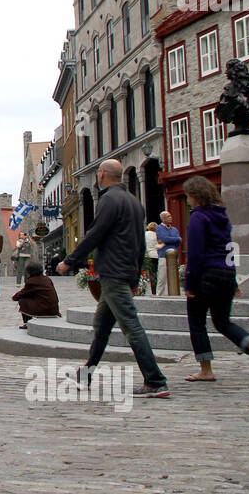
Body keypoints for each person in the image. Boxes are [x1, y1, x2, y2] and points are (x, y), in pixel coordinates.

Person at [57, 159, 170, 398]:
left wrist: (70, 260)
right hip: (123, 272)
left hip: (113, 272)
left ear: (102, 175)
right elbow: (139, 242)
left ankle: (155, 379)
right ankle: (85, 375)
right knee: (102, 327)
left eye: (98, 172)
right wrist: (137, 273)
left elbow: (96, 233)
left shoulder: (108, 199)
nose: (98, 176)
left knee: (131, 326)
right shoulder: (134, 202)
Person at [180, 176, 249, 382]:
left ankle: (206, 370)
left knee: (197, 323)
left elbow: (195, 254)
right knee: (223, 322)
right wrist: (232, 281)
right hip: (224, 273)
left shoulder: (198, 217)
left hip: (205, 275)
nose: (187, 200)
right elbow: (229, 250)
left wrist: (189, 283)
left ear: (195, 196)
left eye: (188, 196)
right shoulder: (222, 218)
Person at [11, 262, 61, 329]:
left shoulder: (32, 281)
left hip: (44, 309)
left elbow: (23, 293)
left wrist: (14, 297)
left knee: (22, 301)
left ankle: (27, 323)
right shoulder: (47, 279)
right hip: (53, 309)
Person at [155, 211, 182, 282]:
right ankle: (160, 293)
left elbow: (179, 242)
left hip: (174, 255)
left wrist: (169, 241)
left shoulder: (174, 229)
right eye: (168, 216)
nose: (170, 217)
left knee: (174, 278)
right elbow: (164, 238)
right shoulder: (159, 228)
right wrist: (176, 239)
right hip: (164, 255)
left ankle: (173, 293)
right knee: (162, 278)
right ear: (163, 219)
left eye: (170, 216)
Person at [144, 222, 160, 295]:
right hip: (156, 255)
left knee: (151, 273)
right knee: (156, 272)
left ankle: (153, 290)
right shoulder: (158, 235)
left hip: (148, 255)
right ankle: (157, 289)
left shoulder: (145, 234)